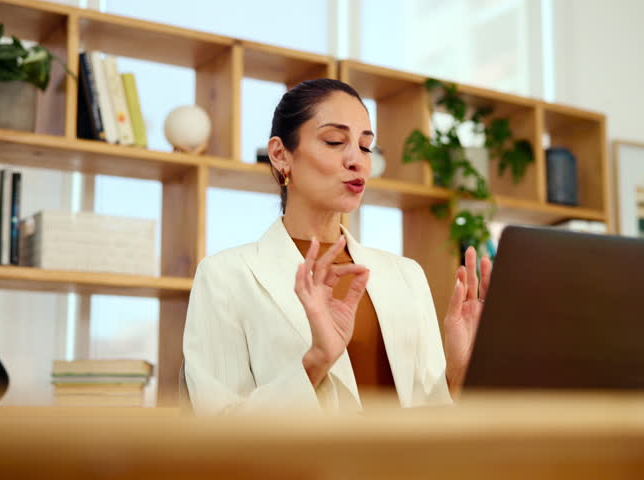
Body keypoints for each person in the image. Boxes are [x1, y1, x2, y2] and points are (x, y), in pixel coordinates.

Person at [183, 79, 492, 415]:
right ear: (280, 154)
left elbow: (429, 420)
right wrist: (316, 361)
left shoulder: (406, 275)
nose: (356, 160)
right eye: (334, 141)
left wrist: (460, 375)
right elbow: (219, 429)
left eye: (365, 146)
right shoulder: (224, 276)